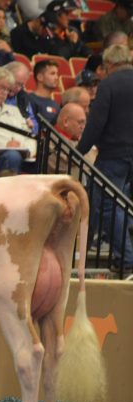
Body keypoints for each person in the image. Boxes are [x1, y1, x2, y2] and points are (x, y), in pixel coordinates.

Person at [76, 44, 133, 272]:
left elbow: (96, 123)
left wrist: (80, 150)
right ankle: (87, 249)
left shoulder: (109, 84)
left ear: (108, 65)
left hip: (113, 154)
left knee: (109, 205)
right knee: (113, 204)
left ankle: (127, 258)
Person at [3, 60, 39, 134]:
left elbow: (35, 126)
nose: (18, 88)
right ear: (5, 76)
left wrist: (31, 126)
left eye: (21, 85)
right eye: (16, 83)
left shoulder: (22, 96)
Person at [28, 58, 60, 124]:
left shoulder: (55, 105)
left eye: (57, 74)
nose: (56, 77)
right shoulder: (29, 100)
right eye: (52, 74)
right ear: (40, 77)